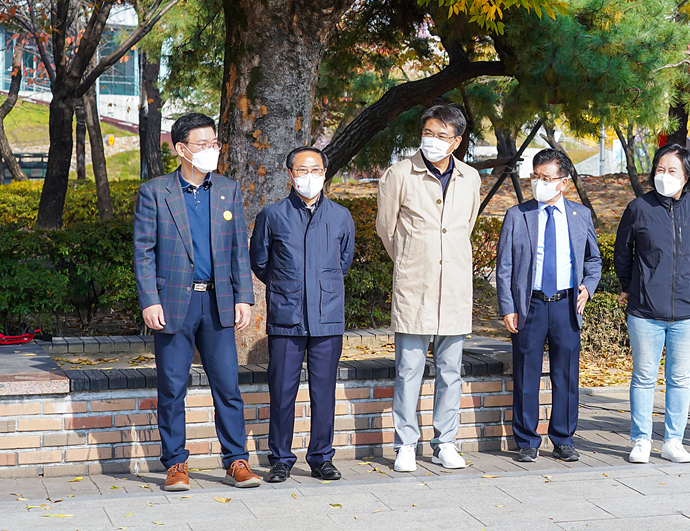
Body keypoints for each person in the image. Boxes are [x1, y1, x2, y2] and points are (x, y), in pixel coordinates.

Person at [133, 112, 260, 491]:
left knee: (228, 386)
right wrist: (149, 299)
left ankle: (236, 460)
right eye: (202, 145)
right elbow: (144, 252)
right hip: (172, 303)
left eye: (214, 144)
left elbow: (239, 248)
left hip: (218, 302)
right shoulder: (155, 192)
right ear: (181, 149)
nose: (211, 151)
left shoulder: (227, 189)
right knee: (172, 387)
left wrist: (245, 297)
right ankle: (175, 463)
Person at [376, 104, 481, 473]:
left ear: (457, 141)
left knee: (451, 370)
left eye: (442, 135)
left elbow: (465, 226)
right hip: (414, 286)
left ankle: (445, 442)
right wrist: (411, 259)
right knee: (409, 370)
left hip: (454, 288)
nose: (433, 141)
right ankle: (405, 444)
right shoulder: (400, 174)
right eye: (429, 133)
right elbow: (387, 229)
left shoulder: (470, 177)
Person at [250, 147, 355, 483]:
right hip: (286, 316)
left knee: (323, 391)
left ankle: (321, 457)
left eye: (316, 169)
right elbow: (261, 262)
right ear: (290, 174)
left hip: (327, 317)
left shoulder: (340, 216)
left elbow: (344, 262)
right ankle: (280, 458)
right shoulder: (273, 215)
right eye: (301, 169)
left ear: (325, 173)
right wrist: (287, 286)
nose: (309, 176)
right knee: (282, 391)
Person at [495, 149, 602, 463]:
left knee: (566, 375)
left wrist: (589, 288)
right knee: (526, 374)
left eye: (546, 177)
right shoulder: (519, 215)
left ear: (563, 183)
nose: (538, 182)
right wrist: (507, 307)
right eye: (535, 176)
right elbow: (505, 267)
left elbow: (593, 259)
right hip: (531, 305)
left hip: (567, 305)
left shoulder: (580, 215)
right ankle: (527, 440)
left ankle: (564, 438)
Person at [614, 143, 690, 465]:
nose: (664, 175)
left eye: (672, 170)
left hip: (687, 312)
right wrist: (633, 287)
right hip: (645, 312)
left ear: (687, 176)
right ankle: (641, 439)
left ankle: (673, 440)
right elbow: (622, 254)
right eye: (660, 169)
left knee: (679, 378)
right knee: (643, 377)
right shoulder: (638, 208)